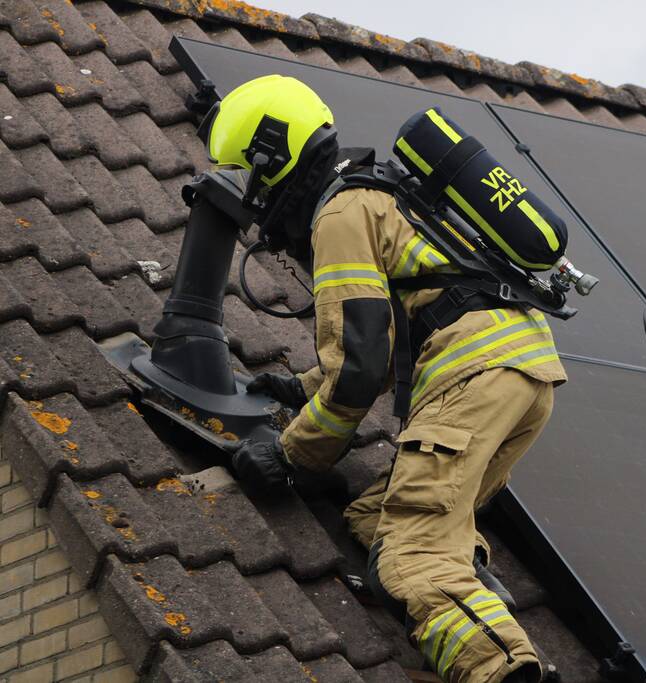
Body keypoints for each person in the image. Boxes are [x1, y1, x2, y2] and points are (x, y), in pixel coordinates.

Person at [210, 75, 566, 683]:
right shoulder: (384, 194)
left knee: (413, 551)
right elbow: (388, 334)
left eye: (253, 171)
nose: (256, 191)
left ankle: (500, 667)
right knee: (378, 519)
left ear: (275, 156)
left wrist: (292, 455)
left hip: (471, 377)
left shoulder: (340, 212)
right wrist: (302, 387)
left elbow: (360, 365)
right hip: (524, 374)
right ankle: (469, 590)